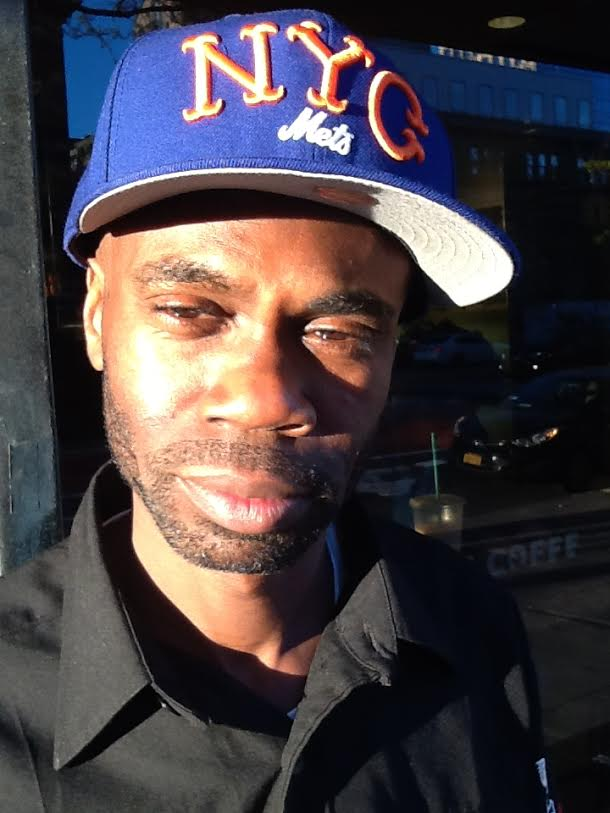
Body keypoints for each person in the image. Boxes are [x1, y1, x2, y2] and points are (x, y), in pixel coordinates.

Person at [0, 7, 556, 812]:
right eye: (189, 310)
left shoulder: (476, 627)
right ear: (95, 317)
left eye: (339, 331)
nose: (266, 399)